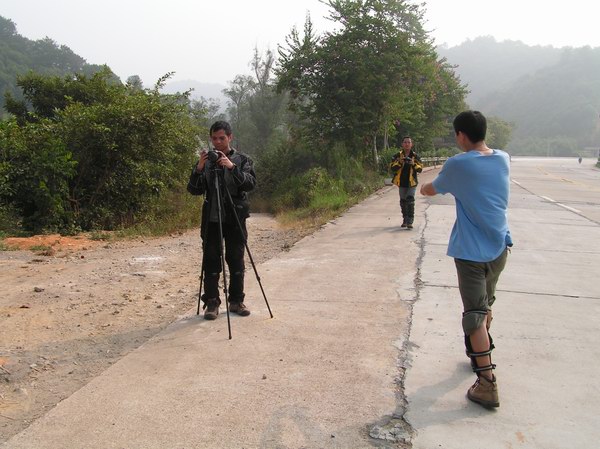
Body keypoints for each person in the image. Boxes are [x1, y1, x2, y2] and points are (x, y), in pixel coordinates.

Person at [420, 110, 512, 408]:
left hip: (471, 253)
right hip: (500, 248)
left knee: (474, 315)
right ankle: (479, 357)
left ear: (461, 135)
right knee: (485, 307)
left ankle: (487, 384)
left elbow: (429, 189)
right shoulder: (502, 158)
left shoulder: (459, 164)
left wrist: (426, 185)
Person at [187, 121, 257, 320]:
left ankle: (236, 301)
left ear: (230, 137)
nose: (218, 143)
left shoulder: (242, 160)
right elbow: (193, 190)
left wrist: (232, 167)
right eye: (214, 138)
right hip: (211, 218)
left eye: (222, 138)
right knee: (210, 261)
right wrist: (199, 168)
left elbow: (251, 184)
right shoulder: (206, 161)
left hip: (235, 217)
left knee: (236, 259)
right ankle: (211, 303)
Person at [390, 136, 423, 229]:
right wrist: (400, 162)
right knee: (403, 201)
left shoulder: (415, 156)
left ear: (411, 144)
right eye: (405, 142)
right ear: (402, 144)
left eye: (409, 142)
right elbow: (392, 167)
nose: (407, 144)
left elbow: (420, 169)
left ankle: (410, 220)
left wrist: (413, 164)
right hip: (401, 182)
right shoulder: (397, 156)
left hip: (412, 182)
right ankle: (405, 218)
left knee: (410, 199)